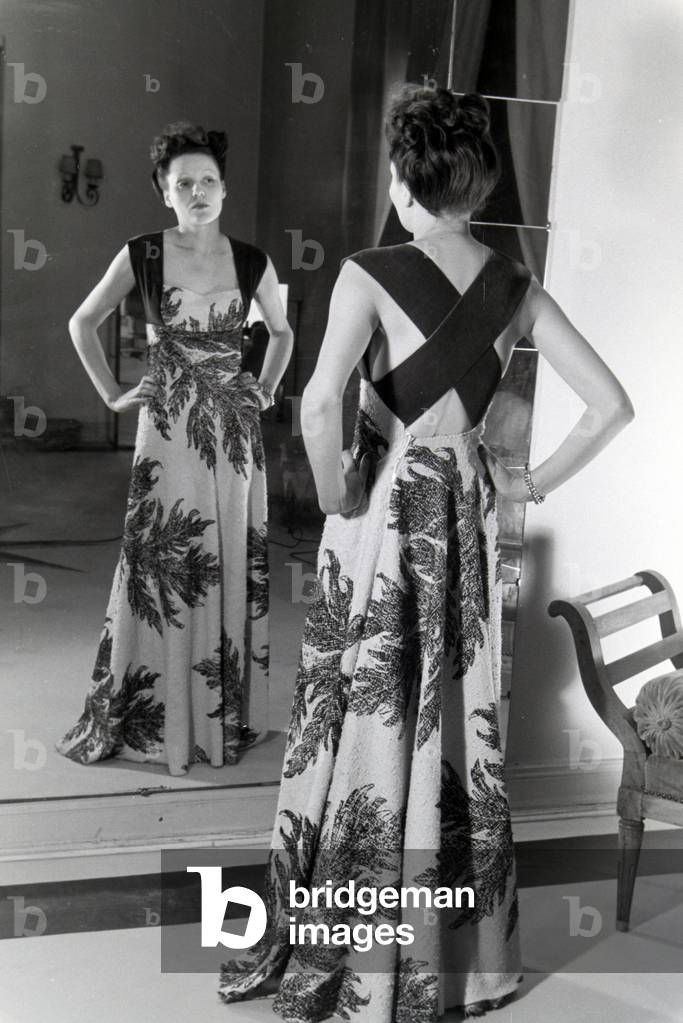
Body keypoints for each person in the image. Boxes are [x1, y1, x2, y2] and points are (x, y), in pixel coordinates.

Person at [217, 86, 634, 1020]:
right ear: (475, 183)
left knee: (359, 706)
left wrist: (335, 495)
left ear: (405, 183)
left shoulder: (369, 271)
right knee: (444, 710)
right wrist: (528, 481)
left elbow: (320, 404)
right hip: (462, 510)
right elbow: (610, 405)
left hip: (381, 516)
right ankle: (451, 954)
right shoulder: (516, 288)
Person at [56, 122, 293, 776]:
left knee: (223, 556)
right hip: (167, 429)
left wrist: (266, 386)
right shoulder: (142, 254)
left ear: (223, 189)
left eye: (207, 181)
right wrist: (109, 392)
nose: (196, 192)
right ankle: (157, 720)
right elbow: (82, 321)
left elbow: (280, 331)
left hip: (233, 436)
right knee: (163, 564)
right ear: (164, 190)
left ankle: (217, 723)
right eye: (182, 182)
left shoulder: (253, 262)